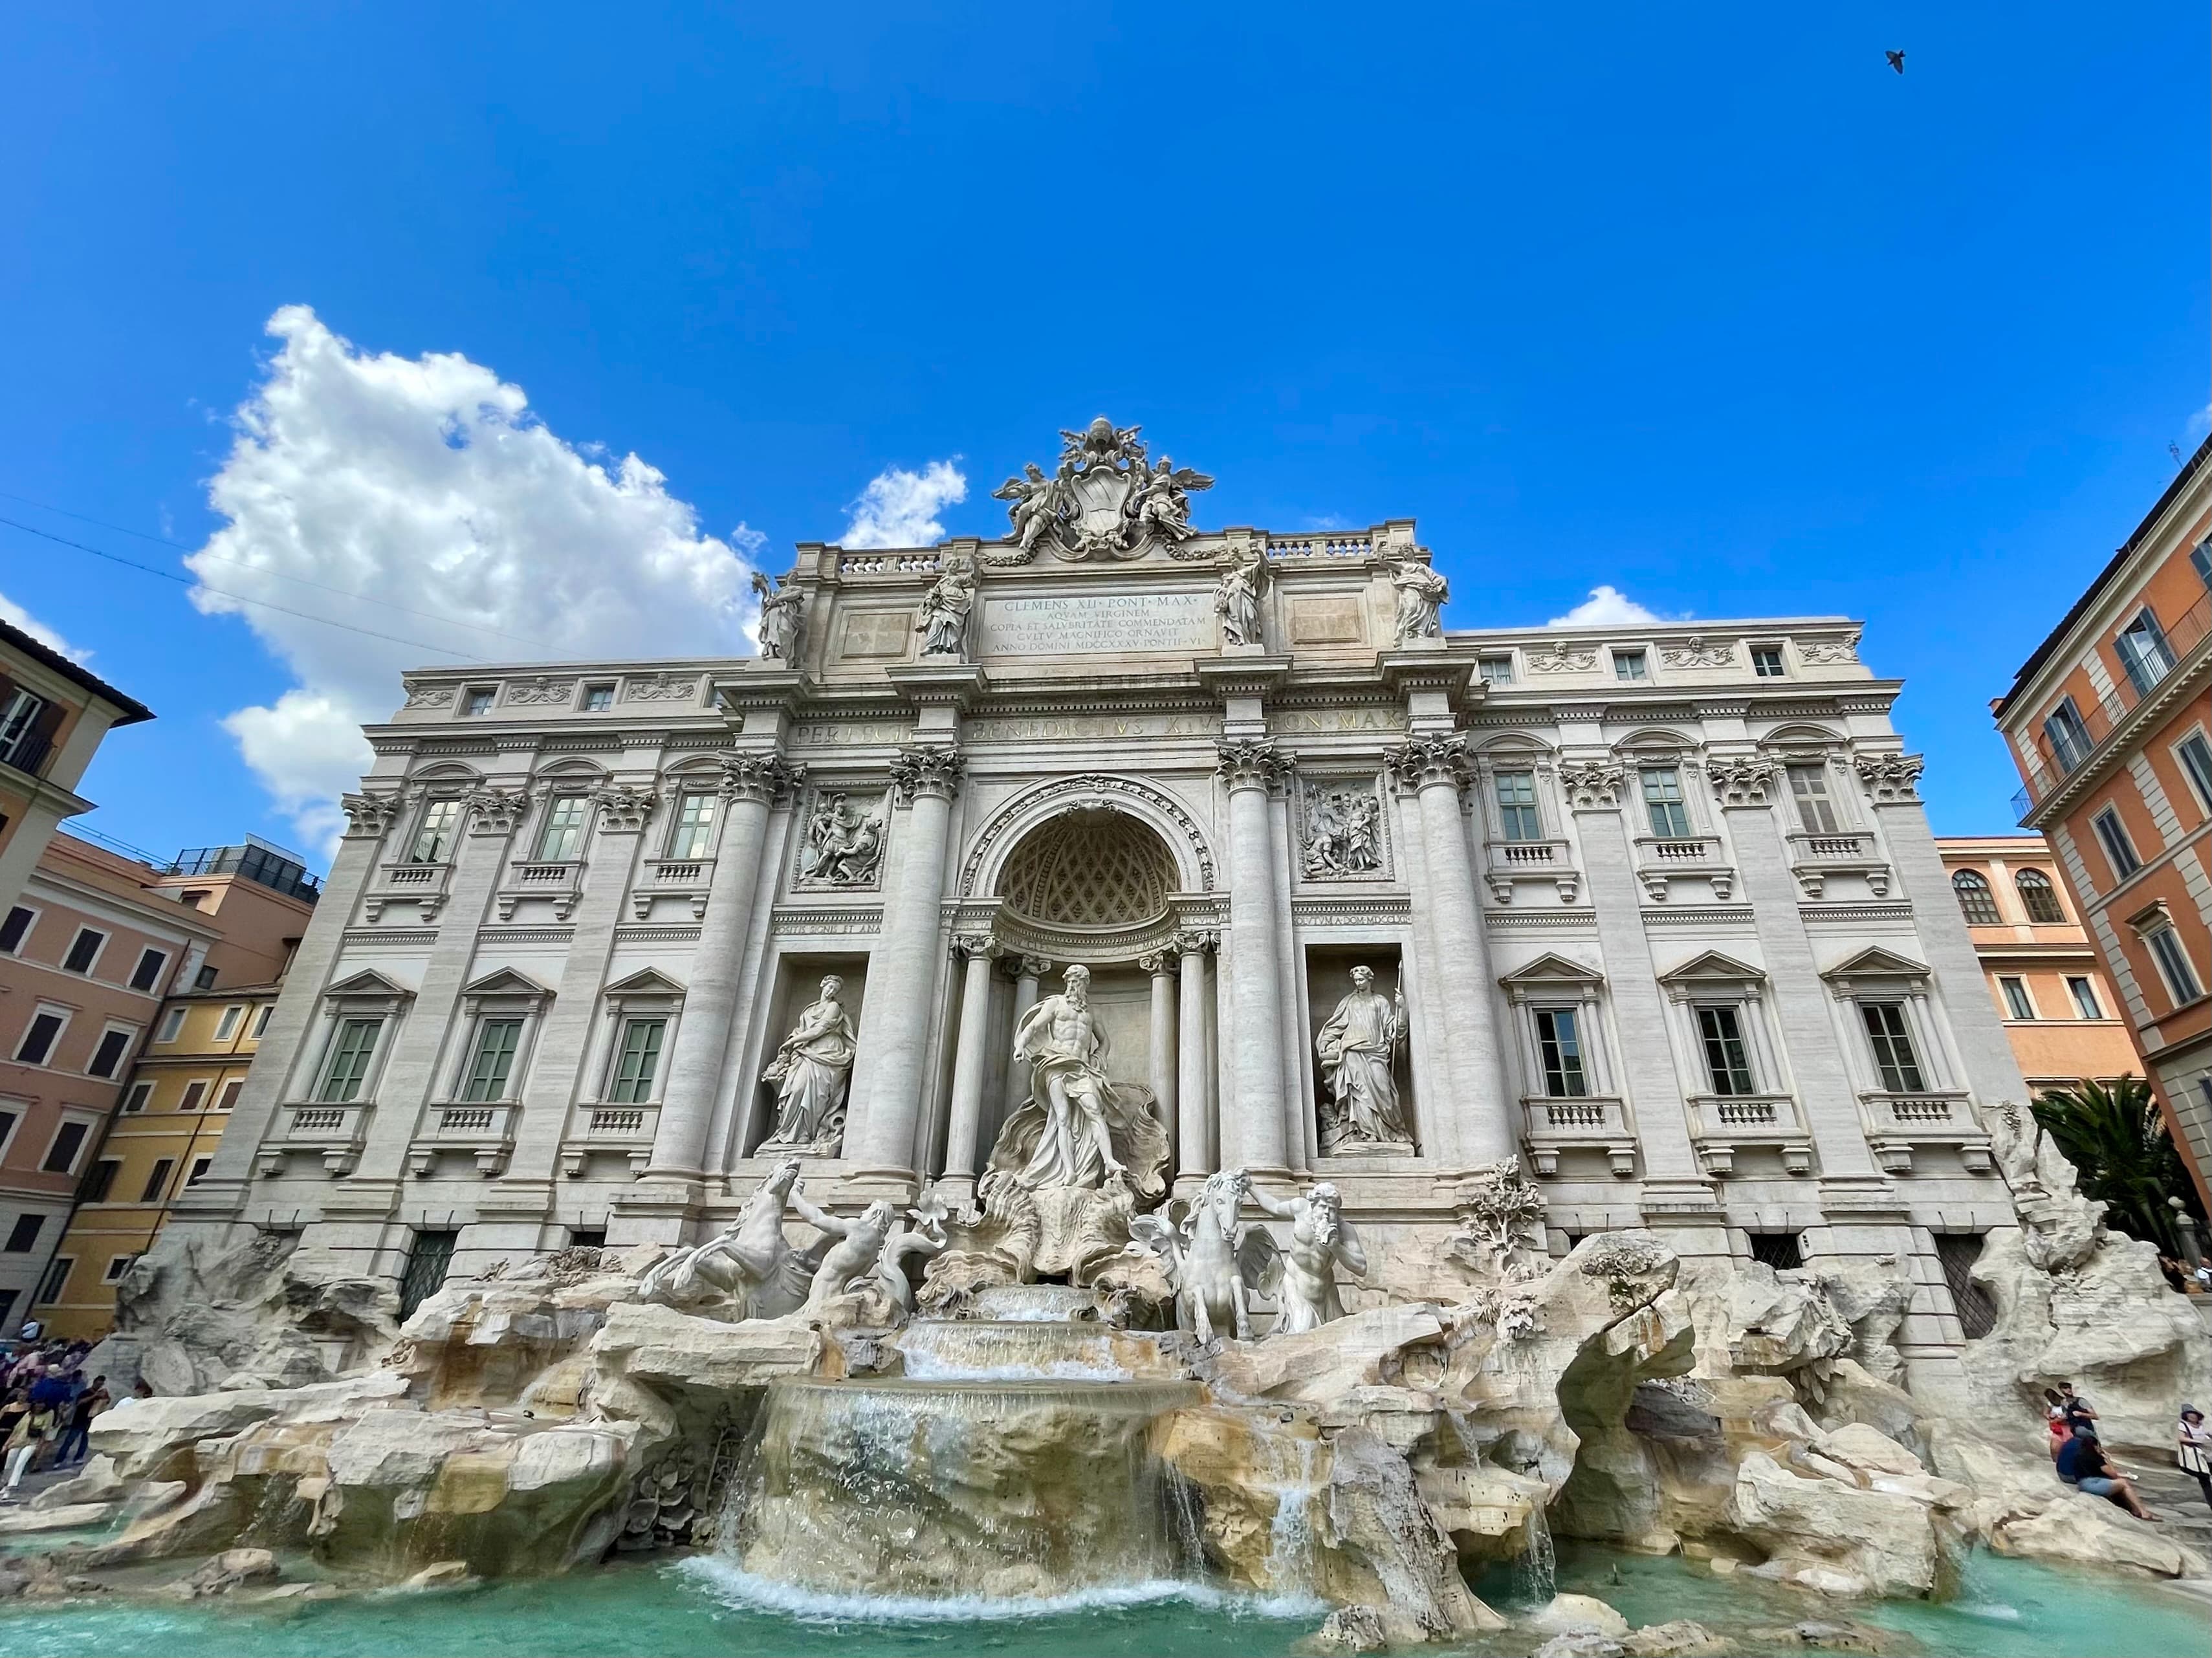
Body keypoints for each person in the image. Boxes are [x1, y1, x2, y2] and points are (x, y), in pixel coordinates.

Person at [2056, 1425, 2155, 1521]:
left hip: (2081, 1482)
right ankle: (2142, 1511)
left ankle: (2133, 1509)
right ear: (2095, 1446)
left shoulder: (2079, 1453)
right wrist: (2108, 1460)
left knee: (2116, 1483)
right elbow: (2113, 1474)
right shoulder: (2094, 1456)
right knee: (2123, 1483)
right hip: (2090, 1484)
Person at [54, 1374, 107, 1467]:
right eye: (98, 1384)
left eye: (101, 1385)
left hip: (89, 1421)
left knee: (85, 1441)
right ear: (94, 1383)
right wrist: (94, 1396)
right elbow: (79, 1403)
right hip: (79, 1420)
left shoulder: (100, 1395)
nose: (99, 1386)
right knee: (69, 1441)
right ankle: (59, 1460)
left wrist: (105, 1397)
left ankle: (78, 1457)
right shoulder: (85, 1393)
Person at [2179, 1405, 2212, 1512]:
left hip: (2206, 1454)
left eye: (2193, 1415)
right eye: (2189, 1415)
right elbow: (2181, 1438)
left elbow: (2204, 1435)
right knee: (2205, 1480)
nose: (2192, 1417)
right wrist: (2197, 1441)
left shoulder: (2201, 1425)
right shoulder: (2183, 1425)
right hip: (2195, 1456)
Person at [2042, 1388, 2073, 1461]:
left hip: (2069, 1427)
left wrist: (2060, 1419)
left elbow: (2071, 1414)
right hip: (2058, 1428)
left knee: (2070, 1448)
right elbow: (2045, 1413)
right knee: (2054, 1448)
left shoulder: (2066, 1402)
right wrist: (2050, 1418)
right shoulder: (2050, 1404)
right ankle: (2056, 1463)